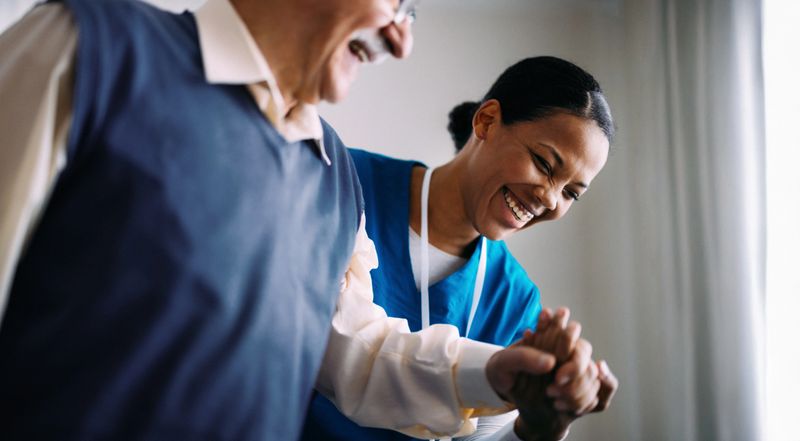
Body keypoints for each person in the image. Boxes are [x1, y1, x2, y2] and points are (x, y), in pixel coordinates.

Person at [0, 1, 583, 439]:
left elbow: (357, 353)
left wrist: (498, 375)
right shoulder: (87, 49)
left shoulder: (333, 176)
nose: (402, 40)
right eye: (395, 3)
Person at [302, 56, 620, 440]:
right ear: (486, 121)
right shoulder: (344, 184)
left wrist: (539, 425)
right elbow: (334, 350)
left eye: (571, 193)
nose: (550, 199)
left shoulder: (514, 301)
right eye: (543, 163)